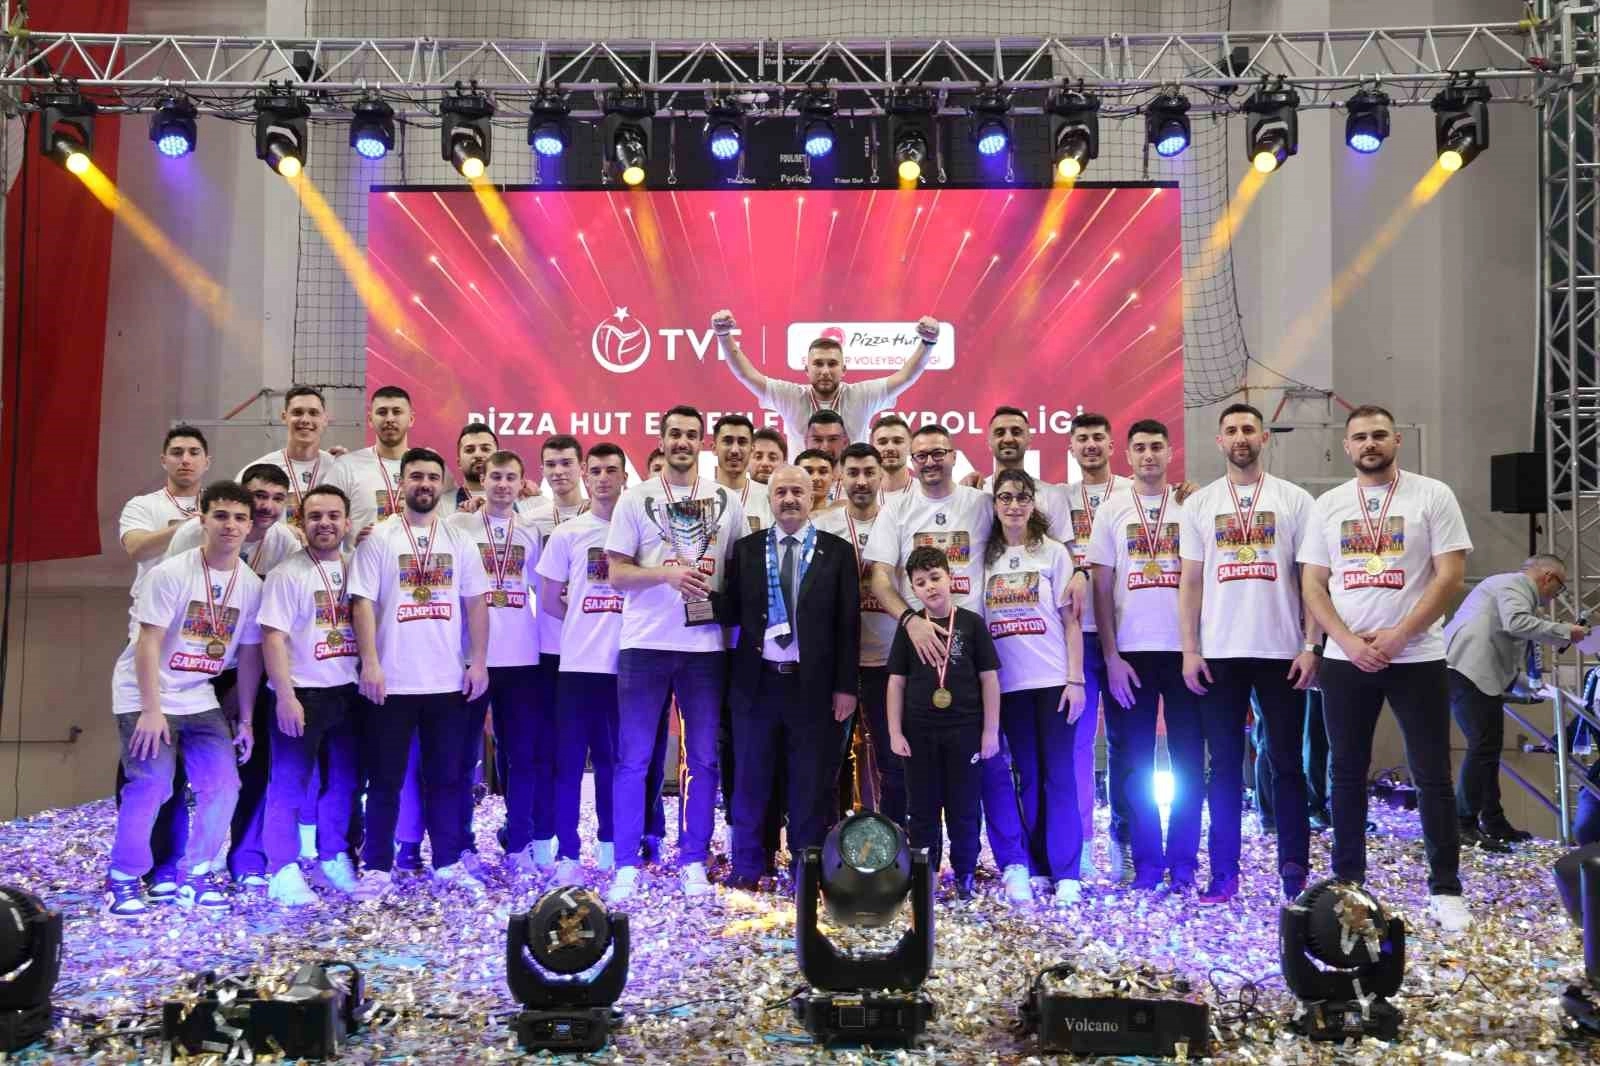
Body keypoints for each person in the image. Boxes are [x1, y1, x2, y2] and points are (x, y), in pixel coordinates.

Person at [1298, 404, 1474, 933]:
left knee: (1432, 773)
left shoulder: (1432, 495)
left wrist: (1399, 635)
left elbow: (1450, 576)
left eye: (1378, 435)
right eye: (1360, 437)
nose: (1369, 444)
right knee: (1345, 772)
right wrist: (1346, 641)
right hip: (1346, 658)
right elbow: (1313, 583)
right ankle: (1348, 885)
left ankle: (1445, 889)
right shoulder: (1328, 504)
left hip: (1417, 655)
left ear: (1396, 440)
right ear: (1347, 446)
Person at [864, 422, 1034, 902]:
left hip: (977, 646)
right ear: (912, 461)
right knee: (923, 789)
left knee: (991, 768)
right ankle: (924, 869)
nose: (930, 461)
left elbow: (1024, 525)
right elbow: (879, 578)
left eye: (939, 452)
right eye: (922, 454)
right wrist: (910, 621)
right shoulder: (897, 509)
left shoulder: (979, 502)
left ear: (954, 455)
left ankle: (1011, 863)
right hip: (921, 656)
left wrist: (1077, 570)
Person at [1177, 403, 1320, 903]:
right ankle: (1224, 873)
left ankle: (1294, 872)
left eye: (1248, 429)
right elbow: (1190, 582)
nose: (1240, 437)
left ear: (1264, 438)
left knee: (1288, 764)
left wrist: (1311, 644)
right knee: (1223, 767)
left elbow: (1311, 579)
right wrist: (1190, 649)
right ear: (1219, 441)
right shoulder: (1200, 505)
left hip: (1282, 651)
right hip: (1219, 652)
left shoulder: (1295, 500)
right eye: (1231, 430)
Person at [605, 405, 746, 901]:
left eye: (691, 435)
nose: (682, 442)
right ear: (662, 440)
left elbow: (739, 571)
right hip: (644, 644)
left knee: (703, 759)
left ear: (702, 443)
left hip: (704, 648)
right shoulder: (636, 498)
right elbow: (616, 574)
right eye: (674, 434)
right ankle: (625, 863)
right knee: (634, 758)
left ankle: (693, 860)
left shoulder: (725, 500)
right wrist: (664, 574)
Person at [103, 481, 263, 917]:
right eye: (220, 516)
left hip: (197, 695)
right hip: (144, 692)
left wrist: (247, 719)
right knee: (152, 783)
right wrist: (151, 710)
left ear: (250, 526)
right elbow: (147, 643)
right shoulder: (171, 573)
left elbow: (250, 656)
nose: (230, 525)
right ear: (202, 519)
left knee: (224, 785)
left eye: (240, 518)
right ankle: (123, 877)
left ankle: (197, 873)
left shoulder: (251, 585)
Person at [348, 447, 491, 895]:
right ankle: (377, 866)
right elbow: (362, 603)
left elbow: (476, 603)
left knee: (446, 779)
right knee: (385, 779)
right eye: (416, 476)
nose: (424, 484)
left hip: (446, 681)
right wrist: (370, 662)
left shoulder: (459, 540)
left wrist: (478, 661)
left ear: (442, 484)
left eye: (432, 476)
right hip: (391, 681)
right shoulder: (379, 538)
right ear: (401, 483)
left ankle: (447, 861)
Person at [715, 465, 861, 890]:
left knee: (809, 784)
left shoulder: (837, 552)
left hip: (812, 688)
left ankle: (805, 869)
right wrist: (691, 592)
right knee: (750, 779)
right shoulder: (747, 550)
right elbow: (732, 610)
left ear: (813, 497)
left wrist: (846, 687)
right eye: (781, 493)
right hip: (757, 685)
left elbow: (848, 624)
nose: (790, 499)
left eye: (798, 491)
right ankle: (747, 866)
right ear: (770, 500)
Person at [167, 464, 301, 887]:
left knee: (254, 760)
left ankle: (247, 857)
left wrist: (242, 690)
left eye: (277, 499)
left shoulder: (284, 542)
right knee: (166, 765)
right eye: (259, 496)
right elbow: (169, 606)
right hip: (181, 662)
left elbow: (271, 621)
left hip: (244, 661)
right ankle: (165, 862)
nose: (267, 507)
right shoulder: (192, 535)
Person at [1088, 418, 1200, 893]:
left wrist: (1197, 649)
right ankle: (1148, 863)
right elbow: (1101, 587)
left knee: (1187, 761)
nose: (1149, 455)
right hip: (1130, 655)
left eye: (1157, 446)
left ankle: (1185, 863)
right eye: (1140, 448)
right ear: (1128, 456)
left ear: (1170, 453)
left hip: (1184, 652)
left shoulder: (1191, 506)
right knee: (1135, 765)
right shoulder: (1112, 510)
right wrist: (1111, 656)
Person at [114, 424, 213, 904]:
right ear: (164, 460)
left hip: (203, 642)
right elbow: (136, 547)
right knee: (148, 765)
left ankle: (179, 864)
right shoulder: (145, 505)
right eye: (177, 452)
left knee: (199, 770)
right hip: (151, 637)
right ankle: (136, 867)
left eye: (194, 452)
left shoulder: (217, 506)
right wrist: (192, 526)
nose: (185, 459)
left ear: (207, 462)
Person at [257, 484, 365, 906]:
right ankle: (281, 869)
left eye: (333, 516)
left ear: (347, 522)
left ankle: (333, 855)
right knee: (289, 785)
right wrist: (285, 696)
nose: (325, 523)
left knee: (344, 783)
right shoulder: (287, 574)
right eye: (315, 516)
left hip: (348, 692)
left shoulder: (358, 568)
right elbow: (272, 637)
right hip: (301, 692)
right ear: (300, 523)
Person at [984, 469, 1088, 907]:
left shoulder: (1053, 552)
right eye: (1005, 497)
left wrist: (1076, 679)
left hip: (1053, 682)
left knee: (1059, 775)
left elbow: (1072, 622)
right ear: (994, 505)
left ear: (1033, 504)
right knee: (1027, 777)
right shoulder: (984, 558)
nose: (1014, 505)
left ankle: (1068, 872)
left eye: (1022, 497)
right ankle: (1039, 865)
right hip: (1009, 686)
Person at [1444, 553, 1585, 848]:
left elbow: (1505, 647)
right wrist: (1566, 632)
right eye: (1559, 587)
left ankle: (1492, 821)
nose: (1555, 595)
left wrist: (1530, 689)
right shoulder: (1516, 585)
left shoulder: (1510, 590)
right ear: (1548, 577)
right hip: (1468, 671)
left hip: (1472, 673)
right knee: (1484, 746)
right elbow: (1517, 623)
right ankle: (1462, 822)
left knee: (1487, 748)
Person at [447, 450, 544, 872]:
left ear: (522, 483)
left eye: (510, 478)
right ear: (481, 481)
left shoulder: (532, 531)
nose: (502, 485)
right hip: (471, 657)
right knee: (463, 757)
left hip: (522, 658)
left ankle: (519, 841)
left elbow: (542, 586)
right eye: (495, 477)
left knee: (521, 756)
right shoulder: (458, 526)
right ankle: (462, 844)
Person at [886, 546, 1002, 900]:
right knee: (921, 808)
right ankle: (926, 874)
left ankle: (965, 872)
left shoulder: (971, 624)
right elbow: (896, 683)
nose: (930, 587)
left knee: (964, 807)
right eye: (921, 583)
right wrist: (894, 731)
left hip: (965, 732)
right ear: (912, 590)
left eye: (935, 577)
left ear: (951, 578)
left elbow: (989, 679)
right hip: (919, 733)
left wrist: (990, 732)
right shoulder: (909, 629)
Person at [537, 443, 629, 884]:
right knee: (568, 765)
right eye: (596, 471)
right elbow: (548, 600)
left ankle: (611, 846)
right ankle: (568, 851)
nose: (604, 478)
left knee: (615, 763)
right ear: (586, 478)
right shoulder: (568, 534)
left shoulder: (640, 531)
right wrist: (582, 617)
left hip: (625, 668)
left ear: (625, 477)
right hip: (576, 667)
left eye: (612, 470)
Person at [1042, 412, 1125, 881]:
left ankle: (1123, 841)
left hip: (1125, 635)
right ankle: (1082, 845)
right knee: (1077, 749)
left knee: (1126, 746)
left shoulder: (1133, 492)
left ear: (1111, 445)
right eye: (1082, 439)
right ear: (1070, 448)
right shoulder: (1056, 497)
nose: (1090, 445)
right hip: (1073, 636)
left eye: (1098, 437)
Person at [815, 444, 904, 824]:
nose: (862, 481)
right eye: (853, 472)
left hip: (888, 660)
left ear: (882, 475)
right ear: (840, 476)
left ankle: (896, 842)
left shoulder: (899, 520)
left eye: (869, 472)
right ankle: (829, 844)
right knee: (827, 763)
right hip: (839, 663)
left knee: (894, 761)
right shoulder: (821, 526)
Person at [713, 308, 941, 456]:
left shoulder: (861, 395)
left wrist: (928, 343)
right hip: (803, 491)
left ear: (844, 369)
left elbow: (905, 377)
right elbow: (747, 375)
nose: (825, 371)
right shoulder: (791, 396)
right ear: (806, 369)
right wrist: (724, 336)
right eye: (818, 364)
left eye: (832, 364)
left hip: (851, 492)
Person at [237, 385, 343, 526]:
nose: (305, 419)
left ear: (325, 419)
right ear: (284, 417)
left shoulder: (341, 468)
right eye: (297, 412)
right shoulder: (256, 471)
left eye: (313, 413)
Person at [962, 406, 1048, 492]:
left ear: (1029, 440)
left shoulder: (1049, 494)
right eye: (1000, 433)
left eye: (1016, 432)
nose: (1008, 439)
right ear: (989, 442)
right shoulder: (974, 492)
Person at [713, 414, 774, 532]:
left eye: (742, 442)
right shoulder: (702, 495)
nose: (735, 450)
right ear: (714, 448)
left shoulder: (769, 497)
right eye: (728, 441)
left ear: (752, 449)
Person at [452, 421, 500, 509]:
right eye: (469, 450)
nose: (478, 455)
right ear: (459, 462)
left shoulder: (522, 501)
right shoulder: (442, 505)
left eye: (485, 449)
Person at [870, 415, 915, 501]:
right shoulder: (861, 496)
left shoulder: (927, 493)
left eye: (897, 441)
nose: (890, 448)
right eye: (882, 442)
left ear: (910, 446)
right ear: (873, 448)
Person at [795, 449, 839, 513]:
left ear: (833, 477)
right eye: (808, 472)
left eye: (823, 472)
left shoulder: (843, 515)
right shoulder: (783, 515)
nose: (816, 478)